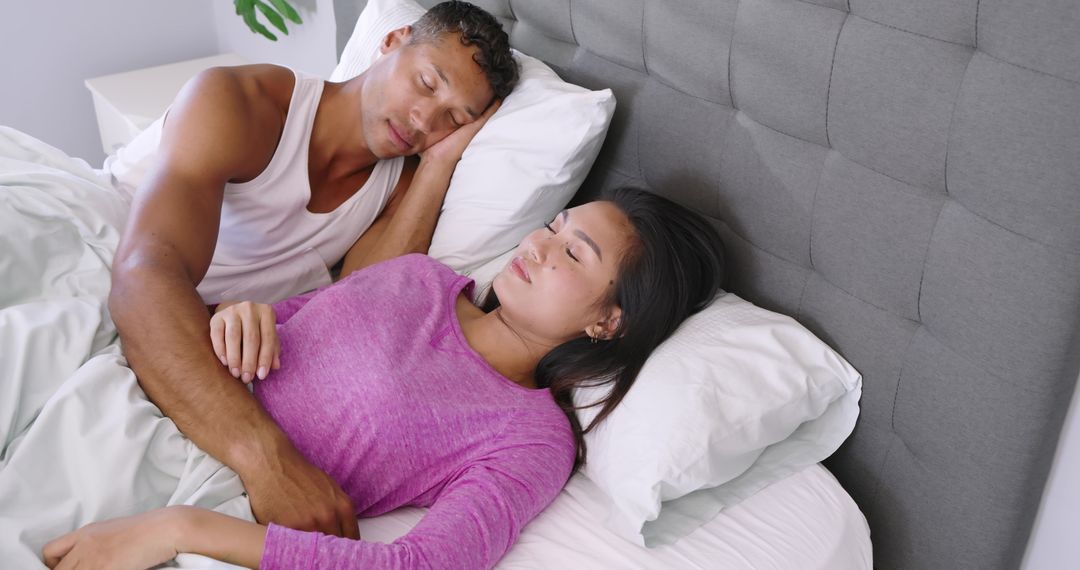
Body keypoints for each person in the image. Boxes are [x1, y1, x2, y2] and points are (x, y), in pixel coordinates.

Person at [43, 187, 726, 569]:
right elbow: (259, 326)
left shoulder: (531, 437)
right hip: (147, 387)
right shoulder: (419, 276)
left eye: (573, 253)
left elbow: (422, 568)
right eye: (553, 224)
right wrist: (242, 316)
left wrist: (180, 529)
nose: (538, 244)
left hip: (194, 483)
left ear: (610, 321)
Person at [108, 1, 518, 541]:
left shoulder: (397, 192)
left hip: (208, 332)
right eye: (425, 83)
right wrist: (266, 461)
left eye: (454, 119)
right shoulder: (244, 103)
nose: (425, 121)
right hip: (108, 259)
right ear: (392, 41)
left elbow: (357, 309)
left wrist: (438, 165)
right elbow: (142, 276)